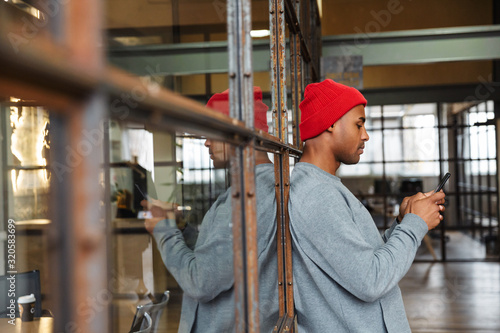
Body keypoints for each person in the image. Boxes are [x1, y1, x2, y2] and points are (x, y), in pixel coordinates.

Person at [289, 79, 446, 332]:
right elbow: (370, 280)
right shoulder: (318, 194)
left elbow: (361, 258)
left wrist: (403, 222)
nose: (365, 135)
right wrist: (415, 225)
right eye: (358, 124)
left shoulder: (323, 186)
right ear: (330, 123)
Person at [142, 87, 279, 332]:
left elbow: (201, 281)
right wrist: (182, 230)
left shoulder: (245, 198)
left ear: (238, 134)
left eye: (213, 133)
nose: (206, 142)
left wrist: (164, 230)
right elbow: (225, 259)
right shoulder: (265, 186)